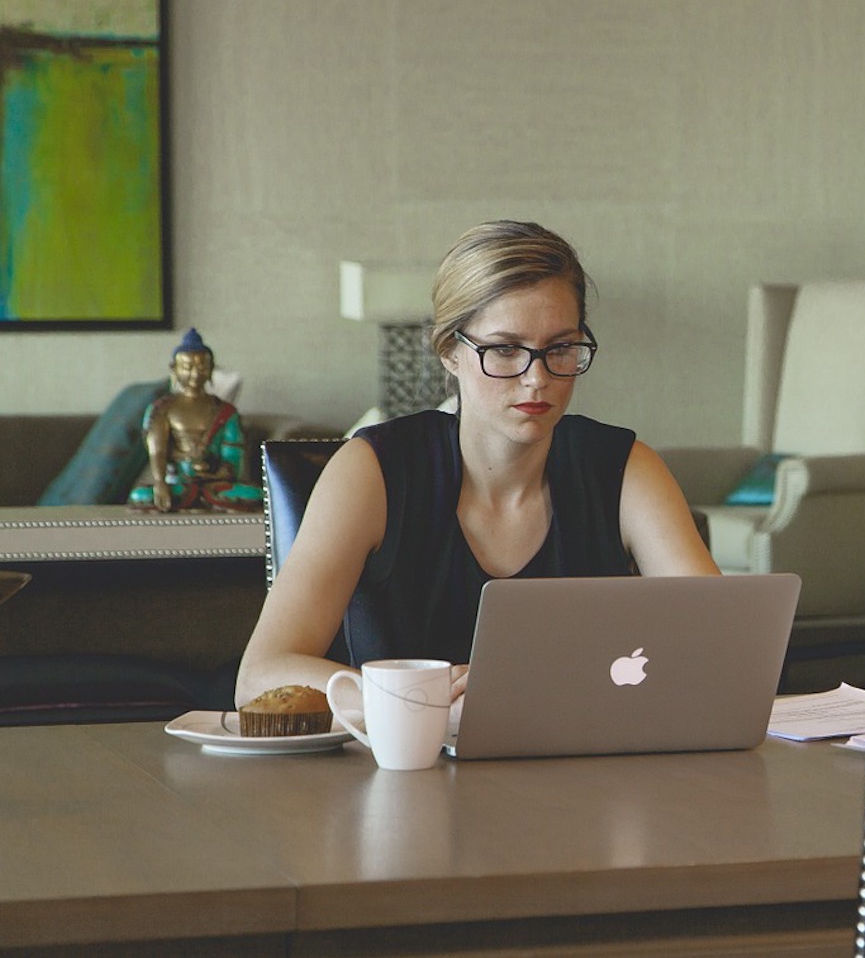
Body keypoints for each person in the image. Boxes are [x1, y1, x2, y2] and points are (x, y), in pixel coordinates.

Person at [236, 221, 718, 707]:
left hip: (580, 770)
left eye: (560, 349)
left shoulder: (625, 468)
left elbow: (723, 646)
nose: (536, 379)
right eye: (505, 349)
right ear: (450, 351)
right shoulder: (371, 470)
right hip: (401, 769)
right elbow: (261, 674)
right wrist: (416, 697)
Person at [129, 328, 263, 512]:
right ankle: (197, 498)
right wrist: (160, 482)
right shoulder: (162, 409)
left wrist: (217, 473)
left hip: (214, 484)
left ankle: (198, 498)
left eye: (202, 367)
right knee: (140, 495)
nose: (195, 374)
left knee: (257, 494)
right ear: (174, 369)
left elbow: (233, 455)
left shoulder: (225, 412)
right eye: (187, 367)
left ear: (211, 370)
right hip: (177, 482)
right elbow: (157, 452)